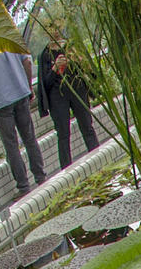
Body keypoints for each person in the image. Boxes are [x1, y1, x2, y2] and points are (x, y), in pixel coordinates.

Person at [0, 46, 47, 197]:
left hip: (1, 103)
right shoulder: (8, 41)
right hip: (21, 93)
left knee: (11, 146)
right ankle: (41, 177)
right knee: (30, 138)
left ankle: (24, 186)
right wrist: (28, 86)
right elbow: (28, 62)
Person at [39, 29, 100, 169]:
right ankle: (67, 169)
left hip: (77, 88)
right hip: (57, 95)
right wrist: (55, 68)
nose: (53, 32)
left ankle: (97, 158)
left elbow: (87, 68)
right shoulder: (45, 55)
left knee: (86, 125)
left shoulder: (71, 47)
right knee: (63, 133)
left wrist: (77, 60)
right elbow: (45, 84)